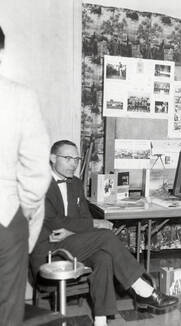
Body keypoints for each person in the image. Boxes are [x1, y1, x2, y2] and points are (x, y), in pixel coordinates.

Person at [30, 140, 178, 326]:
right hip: (48, 251)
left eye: (76, 159)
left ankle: (100, 321)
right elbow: (54, 223)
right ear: (52, 158)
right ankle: (142, 289)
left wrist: (72, 231)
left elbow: (82, 216)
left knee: (103, 258)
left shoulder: (75, 183)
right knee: (106, 236)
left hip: (72, 243)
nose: (74, 163)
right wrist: (95, 223)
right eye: (68, 158)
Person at [0, 26, 51, 326]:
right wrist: (26, 210)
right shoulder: (19, 96)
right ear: (2, 53)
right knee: (8, 307)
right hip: (5, 216)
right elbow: (36, 168)